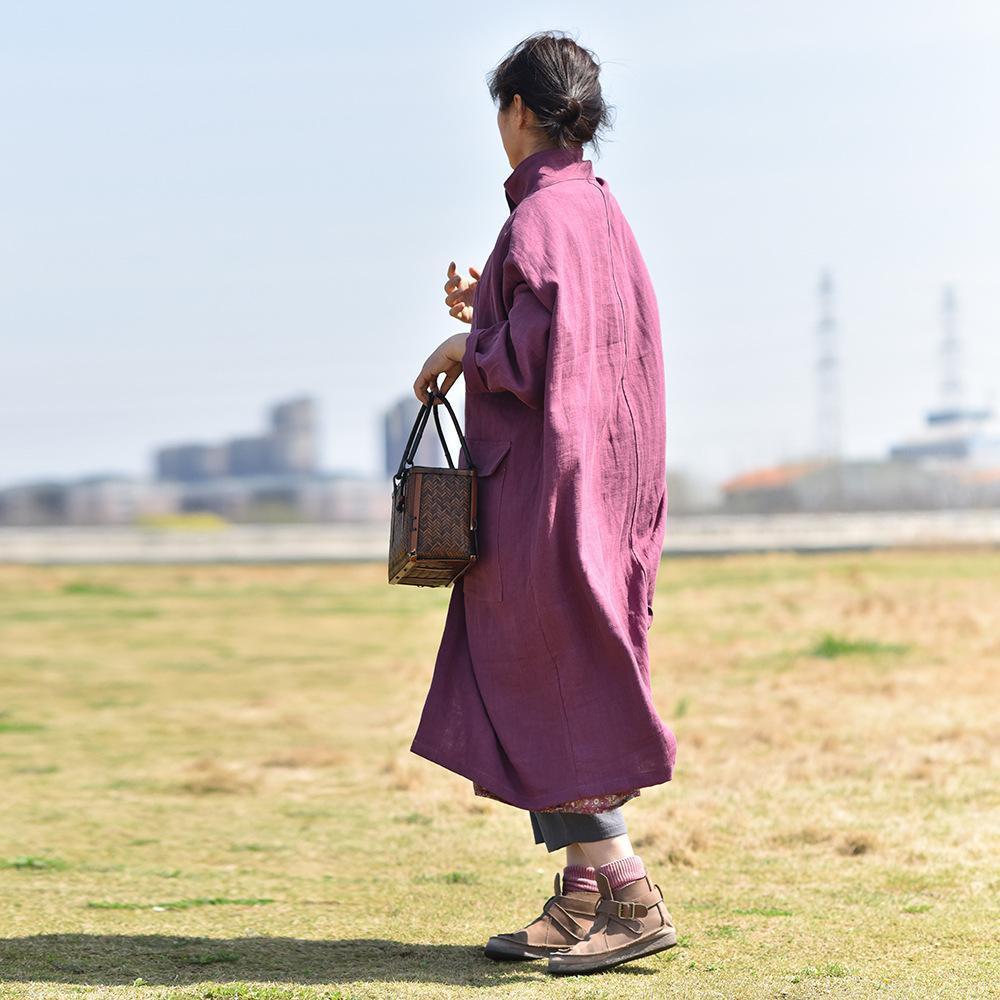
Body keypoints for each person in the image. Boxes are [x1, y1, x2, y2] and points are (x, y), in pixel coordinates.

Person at [409, 31, 677, 975]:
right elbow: (576, 329)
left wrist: (463, 347)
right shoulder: (597, 209)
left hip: (544, 491)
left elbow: (530, 357)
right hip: (608, 483)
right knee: (570, 667)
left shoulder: (539, 216)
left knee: (549, 674)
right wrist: (486, 305)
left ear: (519, 110)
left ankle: (629, 892)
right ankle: (580, 898)